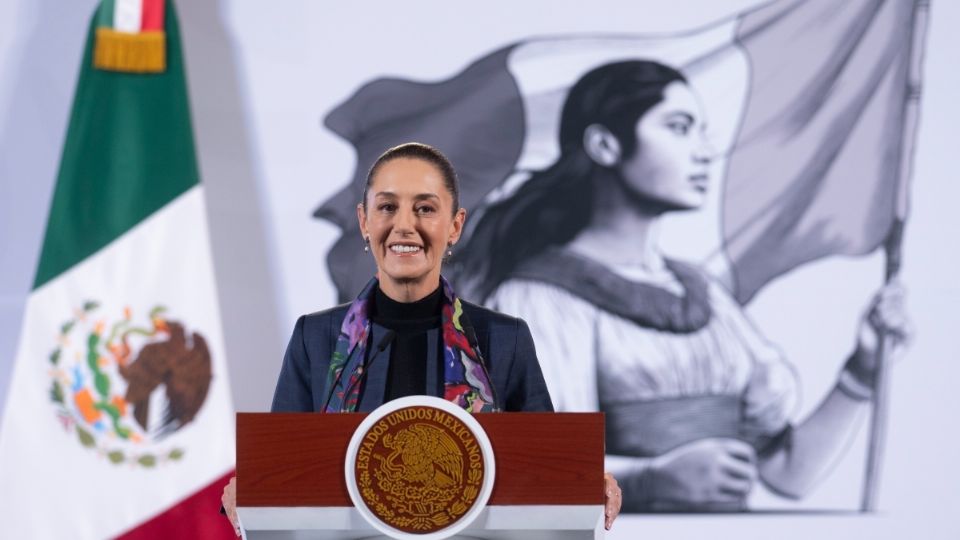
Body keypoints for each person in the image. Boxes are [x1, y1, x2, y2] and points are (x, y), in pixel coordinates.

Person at [453, 61, 911, 511]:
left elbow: (788, 473)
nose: (704, 150)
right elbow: (538, 472)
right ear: (605, 145)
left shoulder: (705, 295)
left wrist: (863, 368)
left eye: (700, 130)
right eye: (679, 127)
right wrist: (652, 480)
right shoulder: (538, 297)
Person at [221, 143, 622, 534]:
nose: (404, 225)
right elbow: (284, 467)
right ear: (364, 221)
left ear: (455, 226)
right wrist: (255, 486)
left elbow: (546, 472)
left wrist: (586, 482)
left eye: (425, 209)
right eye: (387, 207)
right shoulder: (317, 337)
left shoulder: (503, 339)